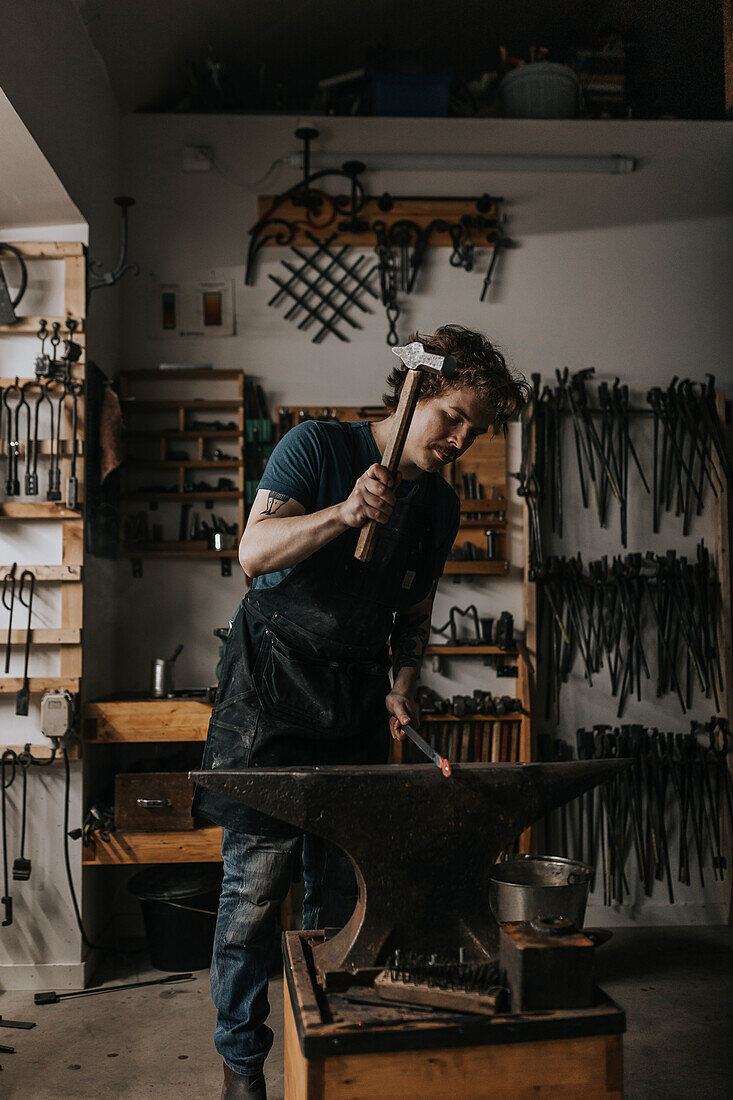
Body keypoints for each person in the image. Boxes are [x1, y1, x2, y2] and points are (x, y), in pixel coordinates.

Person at [192, 324, 528, 1099]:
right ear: (415, 396)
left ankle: (331, 1052)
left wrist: (402, 681)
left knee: (343, 894)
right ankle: (242, 1068)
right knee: (252, 896)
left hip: (352, 696)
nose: (461, 437)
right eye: (453, 417)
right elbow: (254, 552)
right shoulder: (317, 447)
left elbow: (413, 610)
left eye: (476, 429)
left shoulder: (436, 507)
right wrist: (343, 514)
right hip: (269, 694)